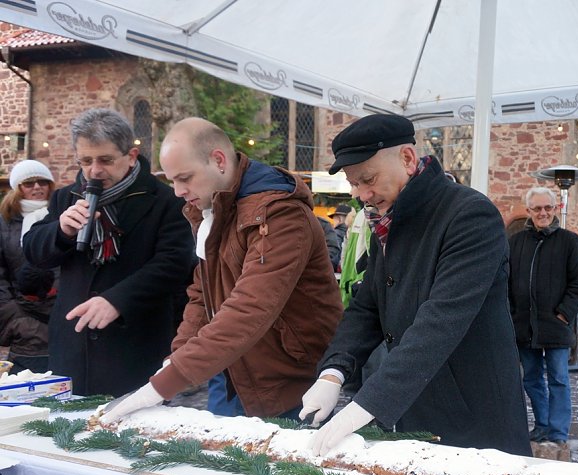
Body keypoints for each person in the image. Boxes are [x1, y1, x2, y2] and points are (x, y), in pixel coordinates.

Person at [298, 114, 531, 457]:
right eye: (354, 184)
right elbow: (368, 306)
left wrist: (367, 404)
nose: (363, 195)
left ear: (407, 159)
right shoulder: (388, 219)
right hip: (415, 412)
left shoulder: (470, 214)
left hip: (474, 417)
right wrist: (333, 371)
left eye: (368, 179)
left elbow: (440, 322)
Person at [100, 117, 343, 423]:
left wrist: (166, 383)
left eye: (185, 178)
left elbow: (251, 307)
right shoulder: (210, 211)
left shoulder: (280, 214)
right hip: (229, 372)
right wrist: (173, 363)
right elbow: (203, 297)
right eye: (172, 180)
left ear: (218, 161)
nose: (177, 191)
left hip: (286, 381)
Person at [23, 108, 195, 396]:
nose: (94, 171)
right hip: (73, 345)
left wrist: (117, 300)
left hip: (135, 345)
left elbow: (174, 264)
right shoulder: (66, 197)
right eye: (85, 161)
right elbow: (34, 253)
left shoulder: (165, 199)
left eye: (105, 160)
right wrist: (60, 231)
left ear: (130, 156)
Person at [508, 187, 578, 444]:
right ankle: (542, 425)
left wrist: (564, 314)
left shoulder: (569, 241)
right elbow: (505, 281)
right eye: (537, 208)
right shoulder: (516, 242)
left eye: (548, 208)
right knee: (531, 379)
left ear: (555, 209)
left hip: (556, 324)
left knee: (558, 379)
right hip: (525, 325)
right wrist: (512, 314)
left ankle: (557, 432)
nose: (543, 213)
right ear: (529, 211)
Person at [0, 159, 55, 306]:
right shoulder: (5, 219)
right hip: (18, 305)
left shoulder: (62, 213)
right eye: (29, 183)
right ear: (18, 188)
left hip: (61, 302)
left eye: (42, 182)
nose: (37, 187)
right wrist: (8, 307)